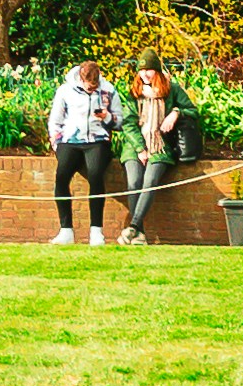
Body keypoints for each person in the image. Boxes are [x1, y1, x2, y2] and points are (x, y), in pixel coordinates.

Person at [44, 59, 122, 246]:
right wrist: (56, 142)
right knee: (61, 176)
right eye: (88, 85)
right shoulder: (65, 91)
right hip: (70, 141)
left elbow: (120, 122)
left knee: (95, 175)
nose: (91, 89)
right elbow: (55, 120)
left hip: (98, 140)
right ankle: (66, 230)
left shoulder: (108, 90)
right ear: (81, 78)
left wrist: (107, 117)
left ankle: (96, 231)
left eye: (94, 86)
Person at [121, 63, 193, 246]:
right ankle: (139, 234)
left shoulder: (171, 89)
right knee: (134, 182)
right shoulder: (134, 92)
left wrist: (176, 112)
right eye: (142, 70)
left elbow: (192, 110)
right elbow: (128, 123)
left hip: (160, 146)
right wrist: (140, 148)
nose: (145, 74)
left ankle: (133, 227)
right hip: (134, 146)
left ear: (158, 71)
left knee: (150, 181)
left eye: (149, 70)